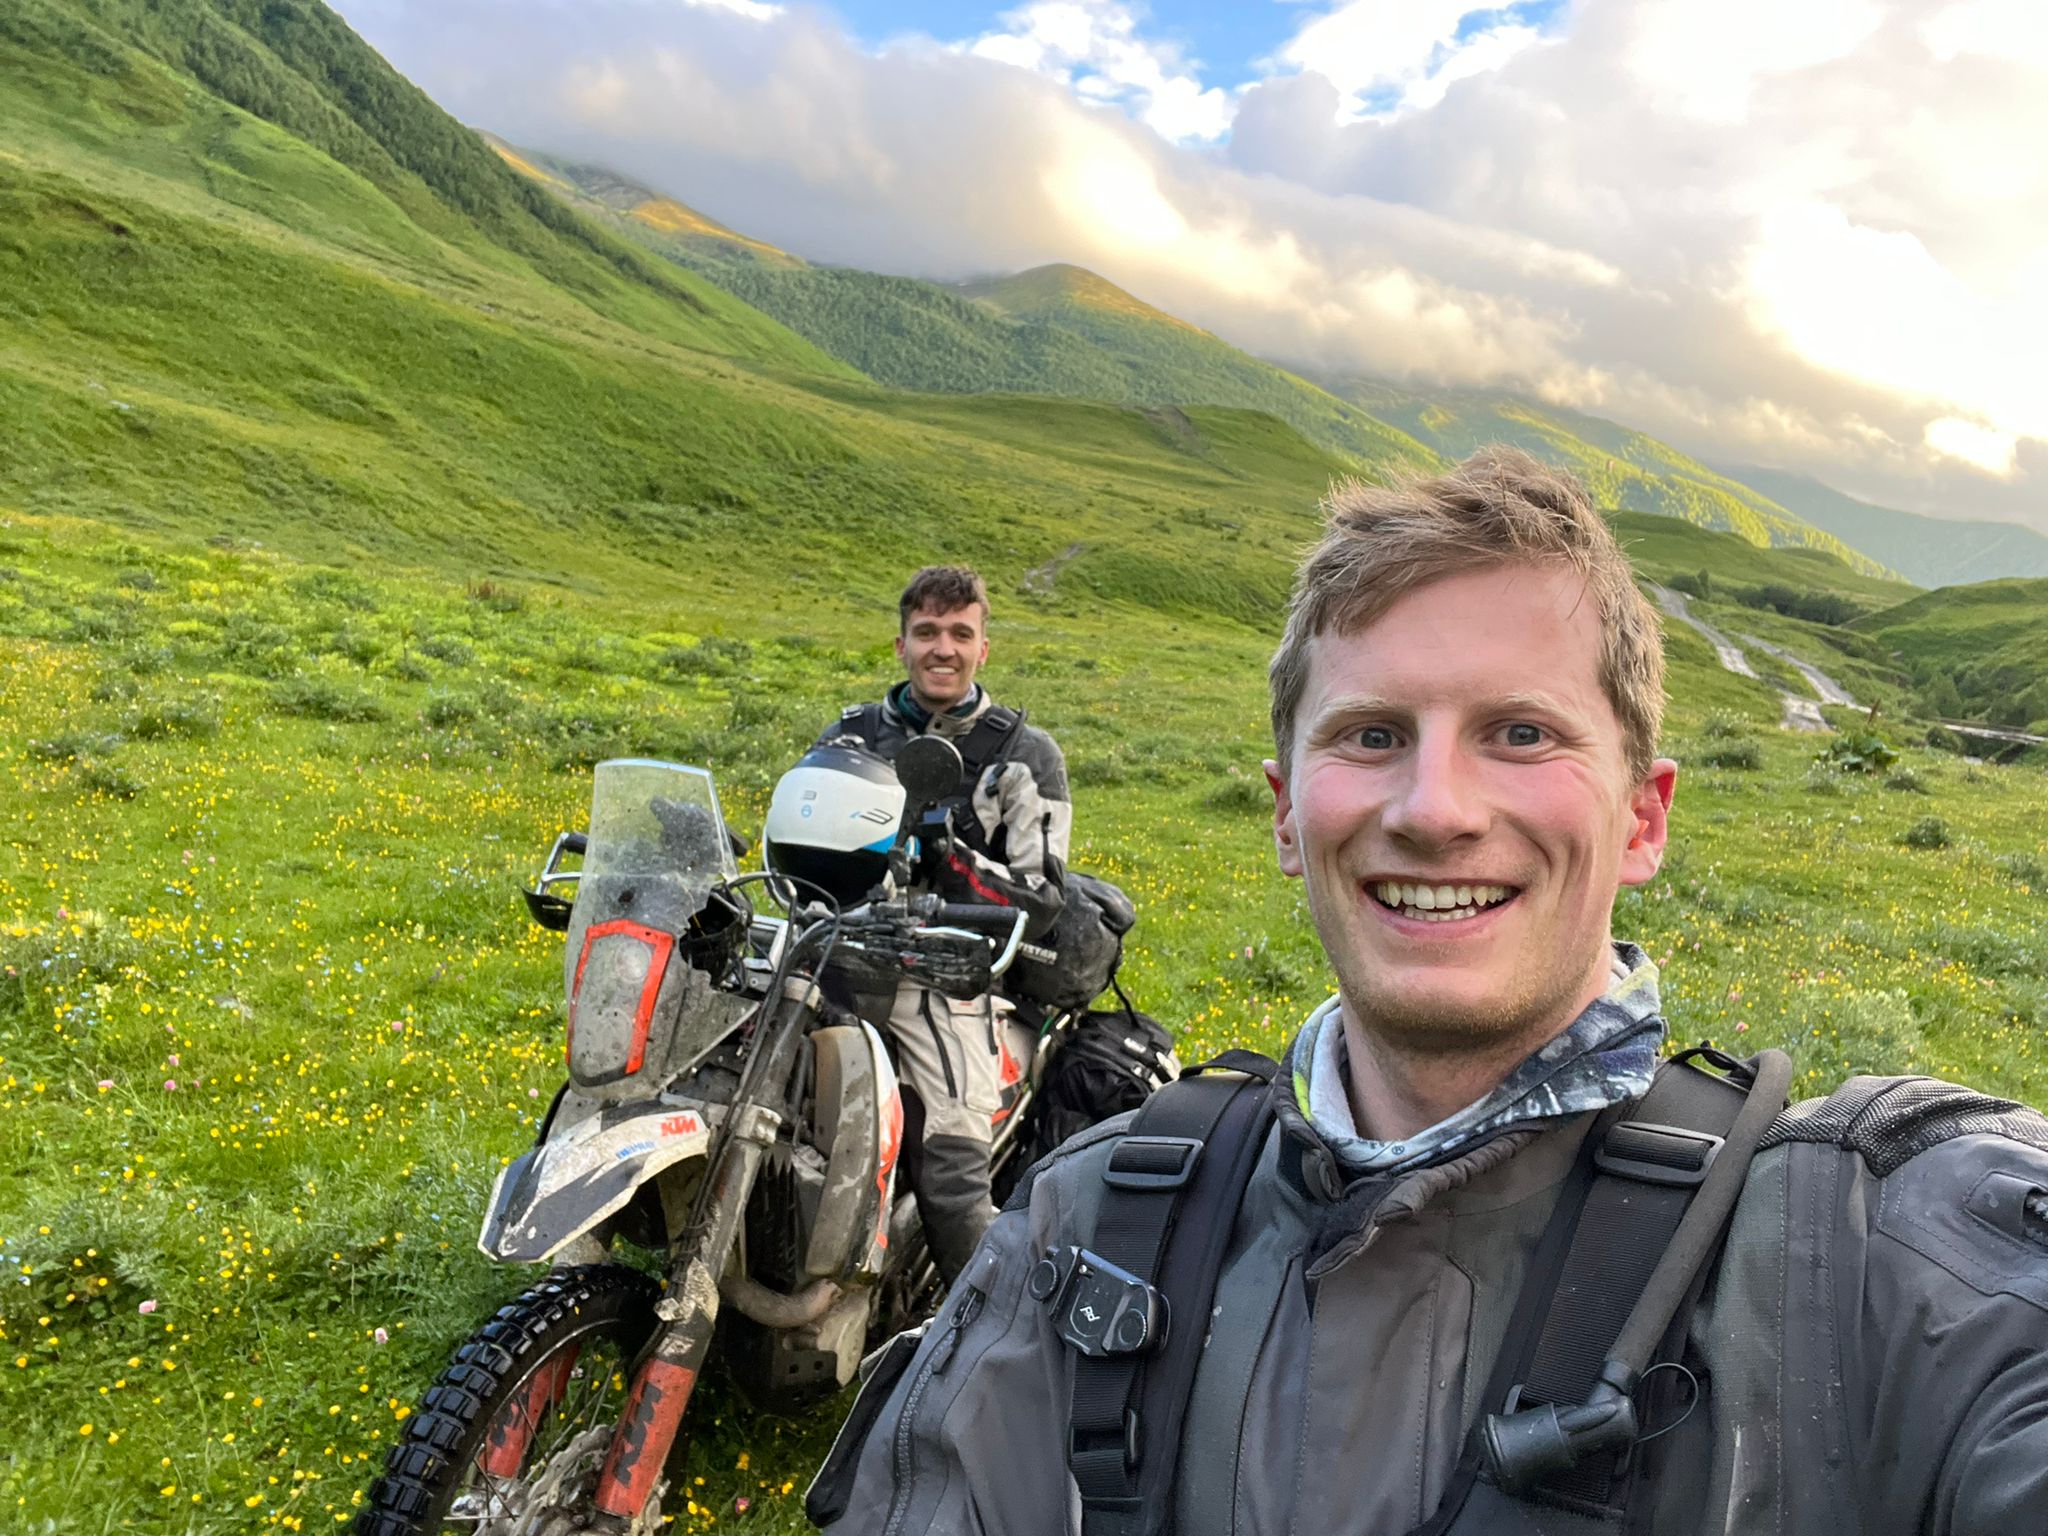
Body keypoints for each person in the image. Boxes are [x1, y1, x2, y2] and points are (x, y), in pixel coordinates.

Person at [808, 450, 2048, 1534]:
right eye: (1369, 734)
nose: (1435, 809)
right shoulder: (1087, 1226)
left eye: (1519, 733)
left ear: (1642, 816)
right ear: (1286, 813)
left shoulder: (1870, 1258)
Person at [814, 564, 1070, 1284]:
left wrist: (952, 861)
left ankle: (994, 1332)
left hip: (956, 978)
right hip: (847, 954)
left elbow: (1043, 897)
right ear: (900, 644)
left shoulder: (1022, 755)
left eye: (961, 633)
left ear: (984, 647)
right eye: (927, 632)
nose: (943, 649)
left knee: (952, 1179)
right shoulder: (854, 735)